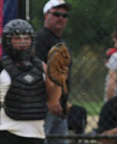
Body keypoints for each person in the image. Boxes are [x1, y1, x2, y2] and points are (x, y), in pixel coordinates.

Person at [35, 0, 72, 136]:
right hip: (46, 105)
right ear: (46, 15)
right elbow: (39, 70)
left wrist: (64, 99)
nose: (61, 18)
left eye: (64, 16)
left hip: (59, 106)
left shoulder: (62, 42)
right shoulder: (40, 39)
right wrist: (53, 100)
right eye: (56, 14)